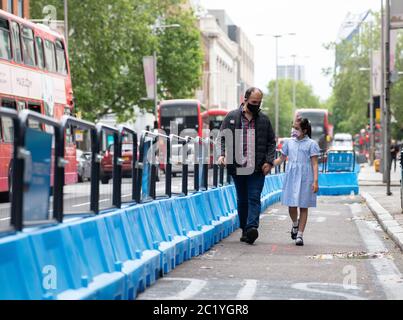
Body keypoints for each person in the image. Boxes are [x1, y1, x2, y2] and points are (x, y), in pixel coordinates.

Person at [218, 87, 276, 245]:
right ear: (245, 100)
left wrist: (269, 161)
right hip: (237, 166)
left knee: (254, 197)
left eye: (259, 103)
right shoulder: (231, 117)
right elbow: (222, 138)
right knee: (242, 199)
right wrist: (222, 154)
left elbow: (271, 142)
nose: (256, 105)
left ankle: (251, 228)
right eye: (253, 102)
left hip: (257, 168)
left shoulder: (264, 120)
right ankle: (245, 229)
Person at [273, 118, 320, 246]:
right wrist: (269, 165)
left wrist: (316, 181)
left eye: (297, 128)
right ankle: (295, 224)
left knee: (303, 206)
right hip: (291, 176)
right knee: (292, 205)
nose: (294, 130)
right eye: (293, 127)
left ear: (304, 130)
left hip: (306, 177)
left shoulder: (312, 144)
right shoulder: (288, 143)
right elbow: (281, 159)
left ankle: (300, 235)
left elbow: (315, 164)